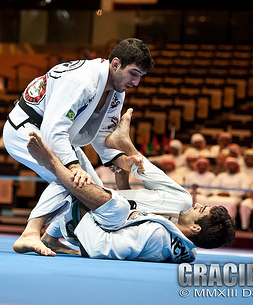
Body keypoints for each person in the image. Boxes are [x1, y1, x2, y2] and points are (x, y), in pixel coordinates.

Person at [3, 38, 154, 256]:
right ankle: (30, 232)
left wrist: (120, 159)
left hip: (54, 134)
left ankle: (51, 238)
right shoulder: (82, 80)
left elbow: (103, 134)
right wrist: (74, 166)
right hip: (27, 129)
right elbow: (53, 129)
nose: (136, 82)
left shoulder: (116, 92)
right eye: (133, 73)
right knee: (71, 180)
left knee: (94, 190)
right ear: (115, 64)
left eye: (140, 76)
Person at [27, 109, 235, 261]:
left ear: (195, 227)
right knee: (182, 199)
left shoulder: (158, 237)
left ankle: (51, 164)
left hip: (84, 225)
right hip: (107, 207)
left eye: (202, 210)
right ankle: (125, 144)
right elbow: (133, 212)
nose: (199, 205)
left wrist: (88, 211)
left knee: (117, 206)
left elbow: (102, 247)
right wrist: (123, 185)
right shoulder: (180, 232)